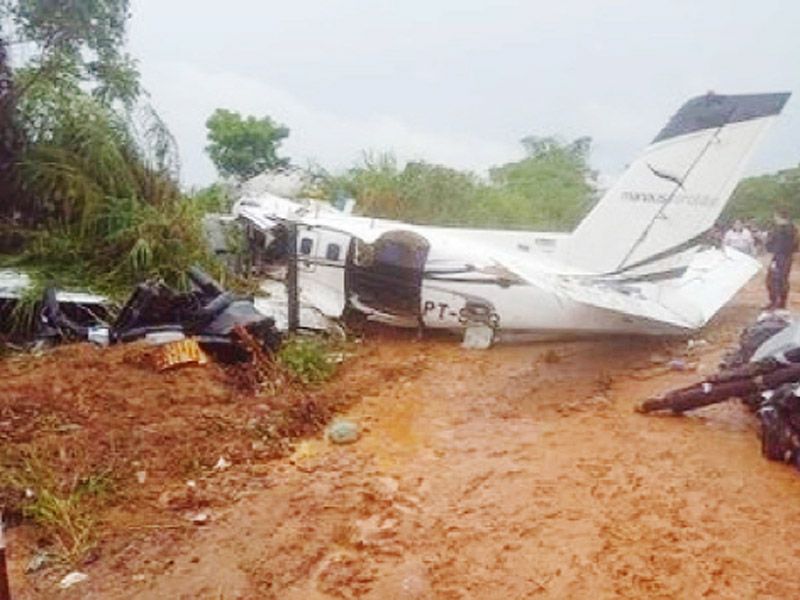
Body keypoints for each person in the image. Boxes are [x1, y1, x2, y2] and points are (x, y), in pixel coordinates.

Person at [765, 209, 798, 310]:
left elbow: (772, 245)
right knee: (782, 280)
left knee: (773, 280)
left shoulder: (780, 230)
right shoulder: (793, 229)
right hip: (787, 257)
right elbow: (795, 246)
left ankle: (775, 302)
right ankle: (781, 302)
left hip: (779, 257)